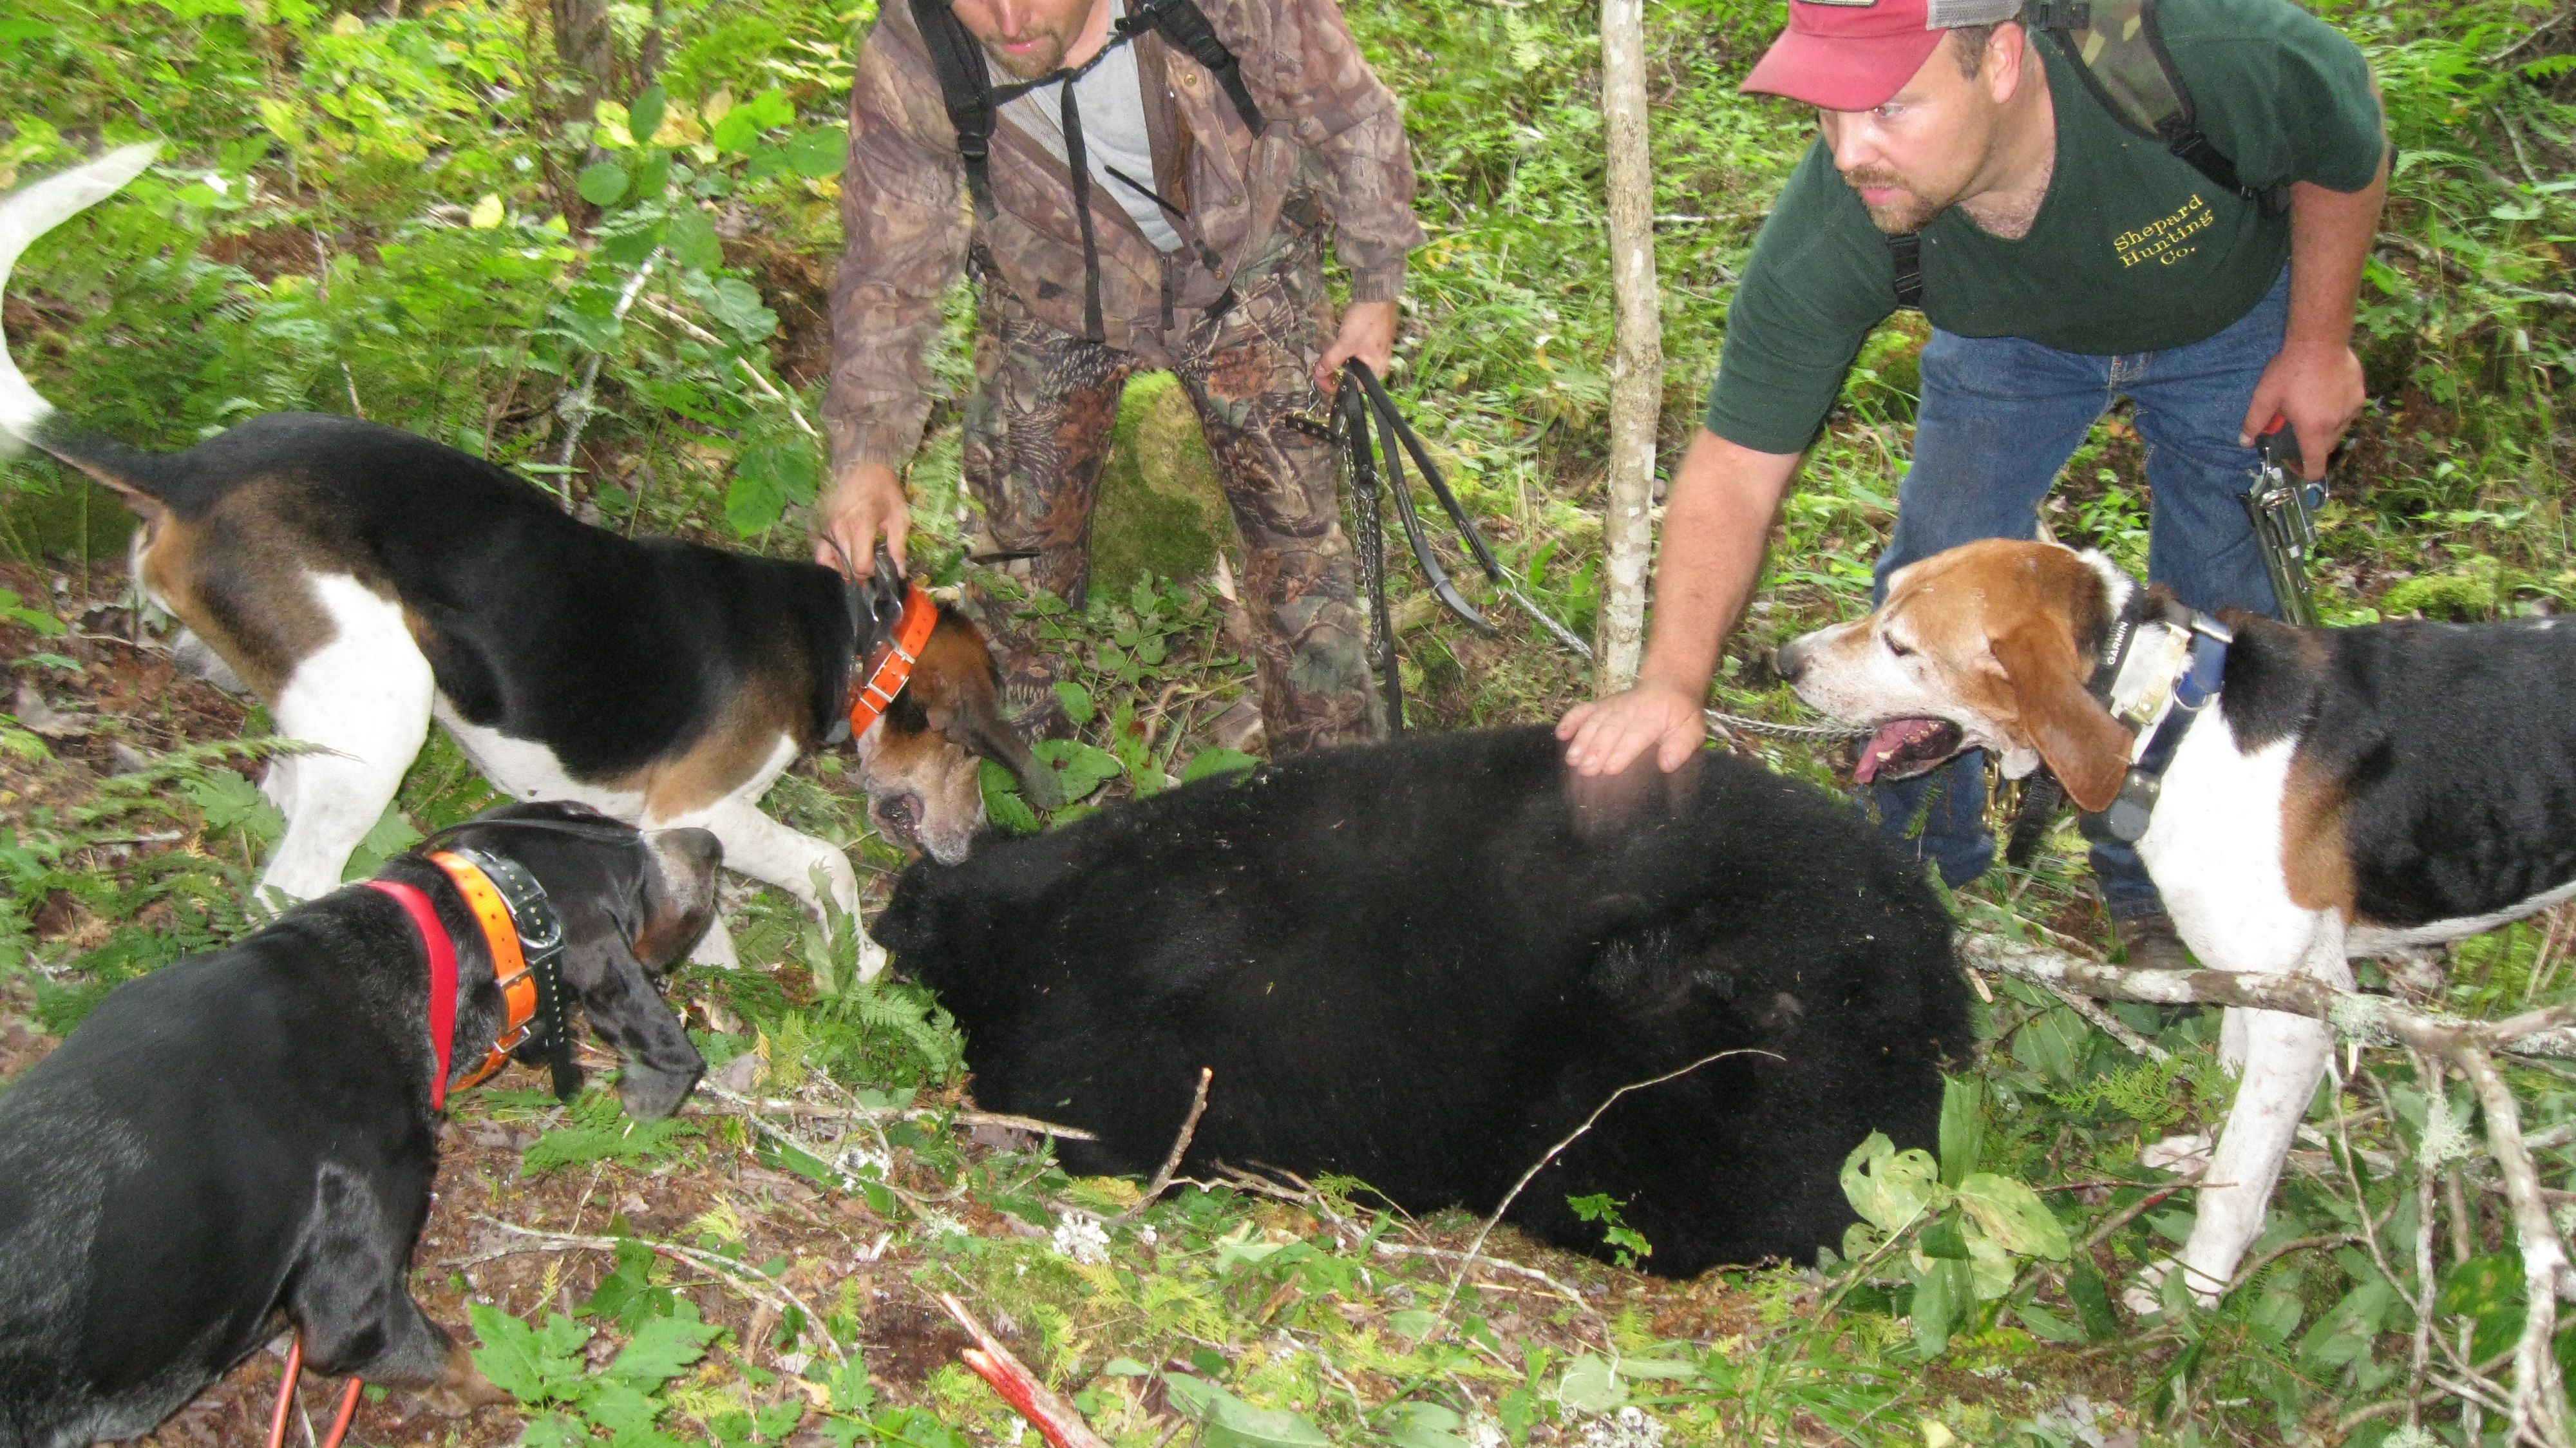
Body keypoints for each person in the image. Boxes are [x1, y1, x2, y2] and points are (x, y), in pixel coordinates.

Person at [1557, 0, 2386, 966]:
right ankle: (1918, 871)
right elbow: (1737, 466)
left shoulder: (2193, 59)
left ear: (1998, 59)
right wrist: (1668, 683)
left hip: (2227, 319)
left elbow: (2344, 138)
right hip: (2010, 344)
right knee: (1929, 583)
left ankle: (2161, 889)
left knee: (2221, 609)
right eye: (1826, 114)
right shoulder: (1845, 220)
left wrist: (2320, 343)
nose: (1849, 152)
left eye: (1889, 109)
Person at [816, 0, 1424, 754]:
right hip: (1052, 289)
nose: (1008, 20)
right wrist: (869, 450)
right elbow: (887, 262)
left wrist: (1375, 292)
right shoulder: (917, 45)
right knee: (1015, 567)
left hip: (1239, 263)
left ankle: (1326, 798)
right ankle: (1028, 799)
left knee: (1298, 553)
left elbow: (1352, 114)